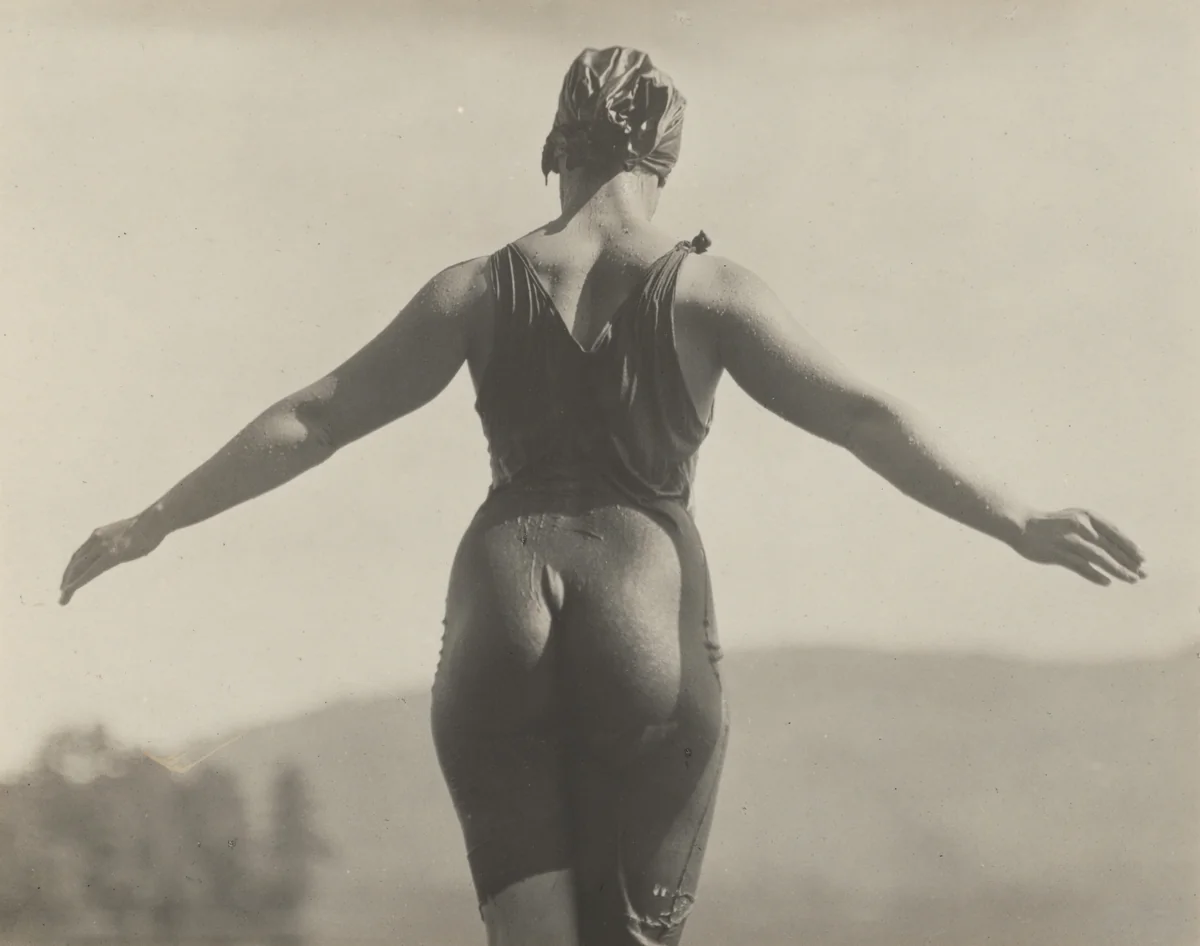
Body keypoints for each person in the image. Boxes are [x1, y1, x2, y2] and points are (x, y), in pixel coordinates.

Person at [59, 46, 1146, 946]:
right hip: (646, 597)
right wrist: (1013, 516)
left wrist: (156, 517)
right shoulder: (709, 287)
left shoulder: (476, 287)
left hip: (495, 599)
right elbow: (864, 416)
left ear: (557, 155)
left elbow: (317, 415)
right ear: (662, 159)